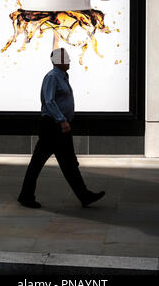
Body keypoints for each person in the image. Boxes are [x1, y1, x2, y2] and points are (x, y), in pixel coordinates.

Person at [17, 47, 105, 209]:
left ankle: (84, 195)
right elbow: (49, 102)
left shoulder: (62, 77)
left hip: (61, 127)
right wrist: (61, 120)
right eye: (67, 58)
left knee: (69, 163)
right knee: (38, 163)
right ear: (59, 61)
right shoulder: (52, 77)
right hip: (53, 127)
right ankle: (26, 196)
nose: (70, 61)